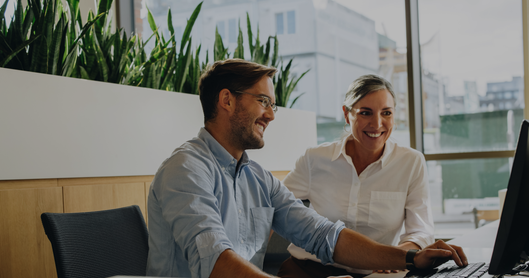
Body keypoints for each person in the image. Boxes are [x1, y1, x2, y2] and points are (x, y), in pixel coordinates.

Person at [146, 59, 467, 278]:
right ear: (227, 100)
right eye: (263, 101)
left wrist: (410, 258)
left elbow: (324, 236)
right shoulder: (185, 170)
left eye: (273, 104)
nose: (271, 115)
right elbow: (215, 262)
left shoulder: (257, 178)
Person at [278, 74, 434, 278]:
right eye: (365, 113)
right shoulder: (314, 159)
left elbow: (421, 230)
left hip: (375, 273)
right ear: (347, 114)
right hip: (308, 270)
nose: (377, 124)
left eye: (386, 113)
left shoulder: (411, 162)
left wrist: (395, 256)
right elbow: (273, 207)